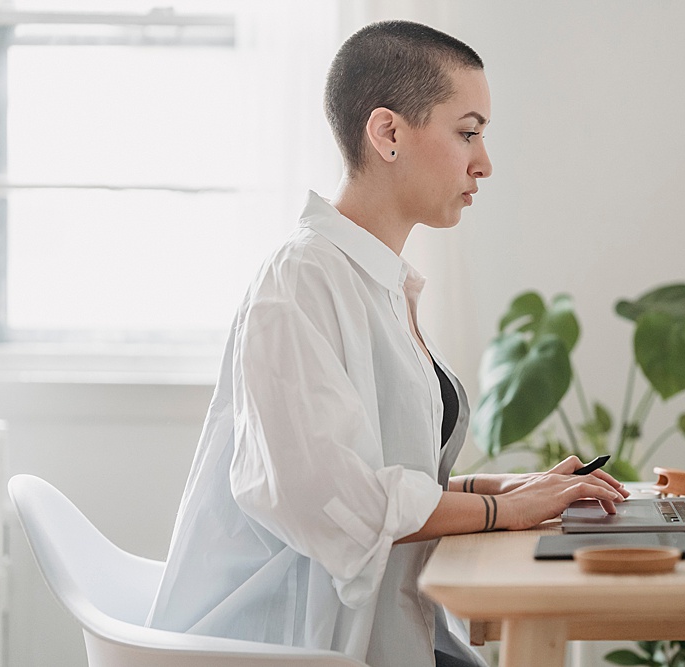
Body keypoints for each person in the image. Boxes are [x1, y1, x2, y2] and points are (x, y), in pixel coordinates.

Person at [145, 20, 628, 667]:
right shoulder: (299, 283)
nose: (483, 161)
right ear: (388, 133)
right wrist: (498, 510)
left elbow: (388, 469)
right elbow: (332, 498)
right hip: (295, 646)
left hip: (396, 627)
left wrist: (512, 489)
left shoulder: (379, 282)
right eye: (468, 131)